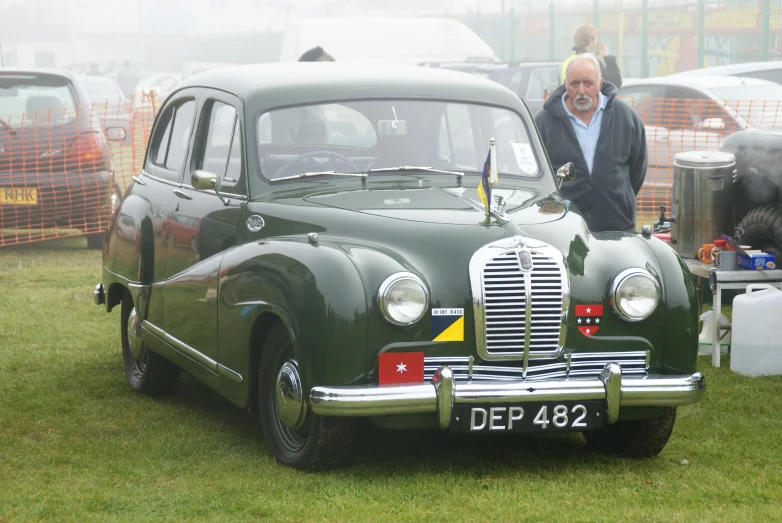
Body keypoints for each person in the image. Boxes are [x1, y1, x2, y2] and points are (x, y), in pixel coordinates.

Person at [535, 54, 647, 233]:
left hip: (617, 226)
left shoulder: (626, 118)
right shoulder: (544, 122)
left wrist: (615, 193)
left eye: (588, 83)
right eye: (574, 84)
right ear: (565, 84)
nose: (581, 91)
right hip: (562, 228)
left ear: (600, 84)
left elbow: (637, 168)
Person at [560, 24, 622, 88]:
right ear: (591, 41)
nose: (596, 43)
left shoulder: (566, 63)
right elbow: (615, 82)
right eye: (595, 40)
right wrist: (607, 57)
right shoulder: (593, 63)